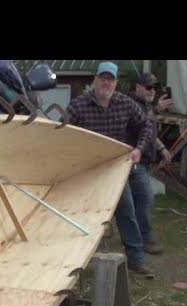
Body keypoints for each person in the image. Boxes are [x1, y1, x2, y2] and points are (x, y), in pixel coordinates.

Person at [65, 61, 155, 278]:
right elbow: (63, 136)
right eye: (102, 78)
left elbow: (146, 126)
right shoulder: (77, 106)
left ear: (116, 82)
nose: (106, 82)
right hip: (88, 171)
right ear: (95, 80)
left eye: (110, 79)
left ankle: (136, 259)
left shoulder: (125, 103)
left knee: (127, 212)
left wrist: (139, 149)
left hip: (115, 170)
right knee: (82, 216)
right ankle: (75, 262)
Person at [126, 72, 173, 254]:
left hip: (143, 160)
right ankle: (144, 239)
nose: (151, 91)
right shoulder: (129, 103)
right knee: (145, 198)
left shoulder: (146, 105)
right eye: (148, 87)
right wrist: (156, 111)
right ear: (138, 86)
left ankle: (136, 237)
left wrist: (162, 148)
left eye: (154, 88)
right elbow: (145, 122)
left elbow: (148, 132)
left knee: (136, 200)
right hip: (133, 159)